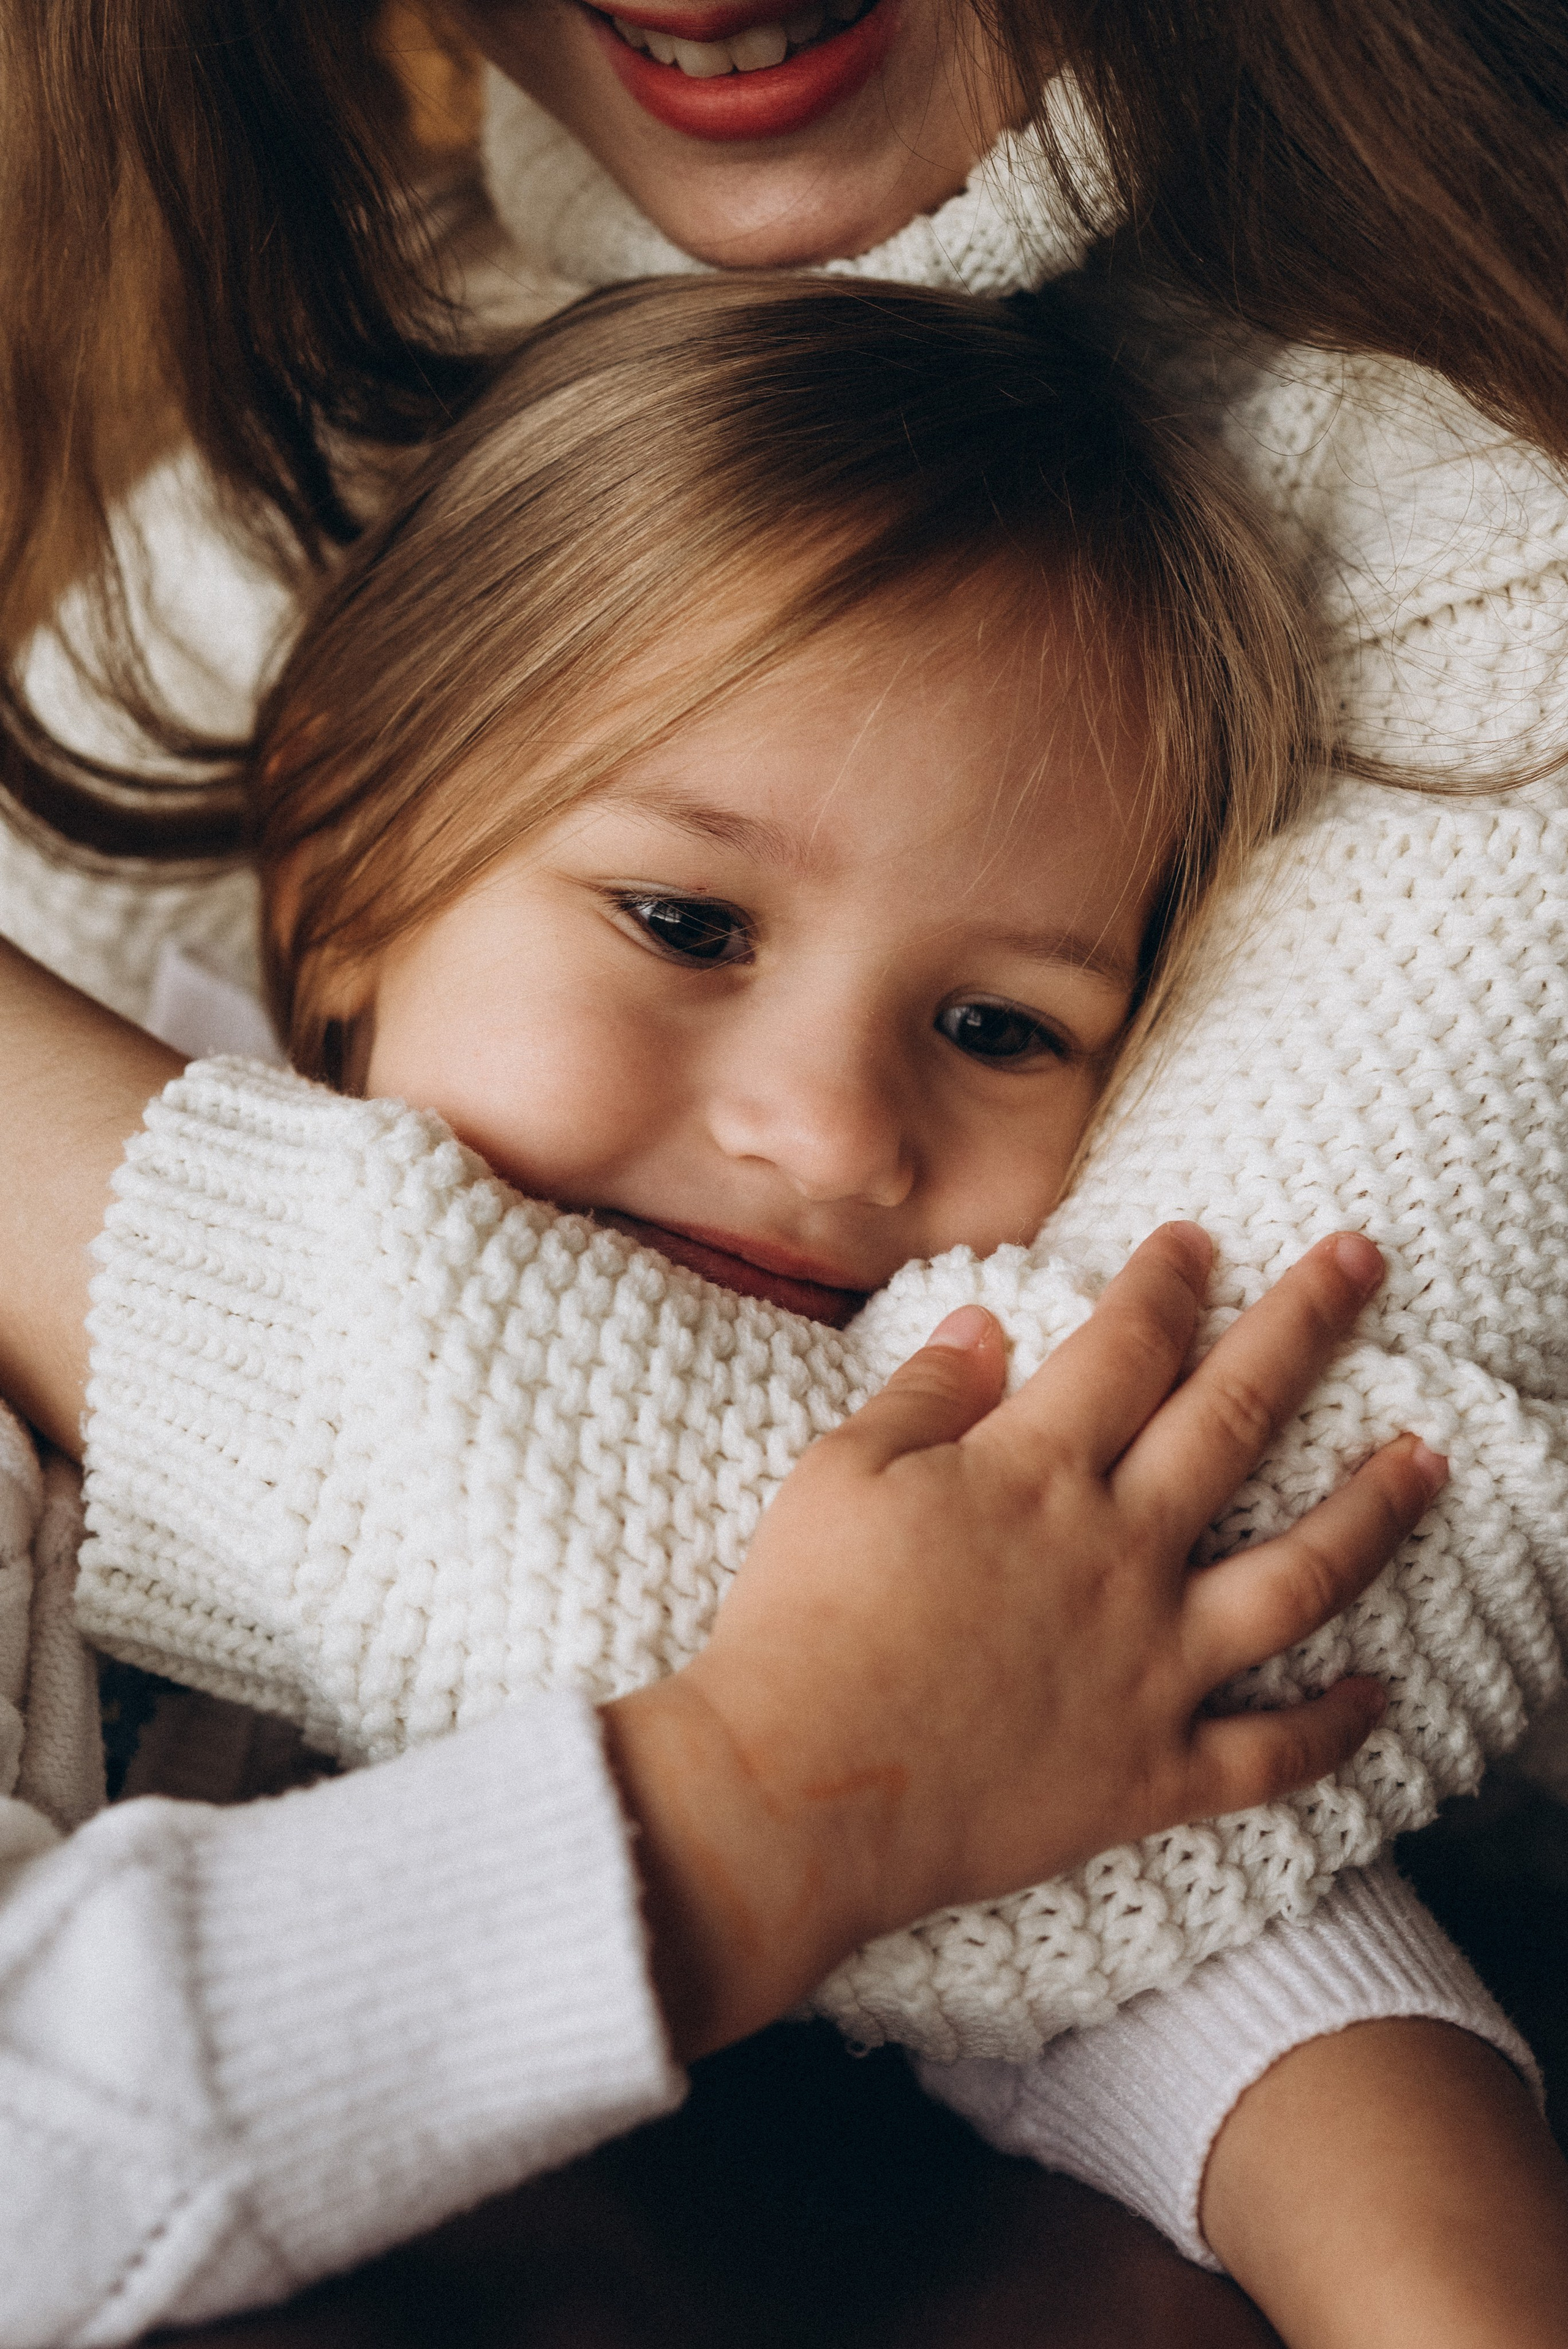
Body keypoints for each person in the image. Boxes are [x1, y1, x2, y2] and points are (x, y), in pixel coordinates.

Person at [2, 0, 1568, 2339]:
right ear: (328, 837)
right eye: (684, 925)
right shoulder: (331, 444)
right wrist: (761, 1799)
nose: (834, 1136)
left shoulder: (1471, 545)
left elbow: (1074, 1698)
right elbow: (967, 1723)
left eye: (1002, 1028)